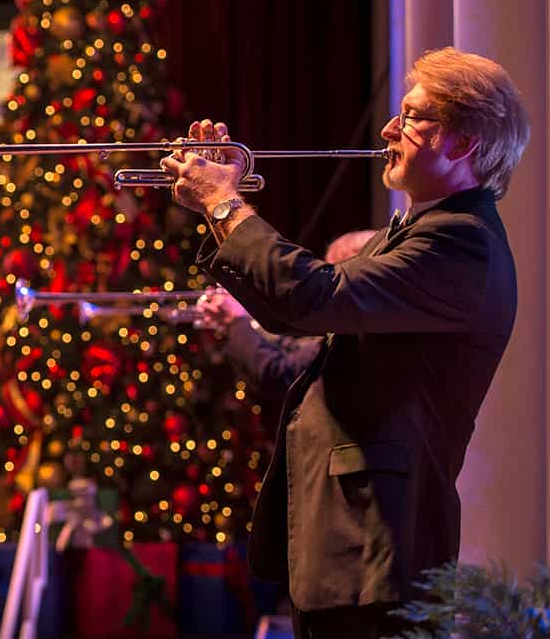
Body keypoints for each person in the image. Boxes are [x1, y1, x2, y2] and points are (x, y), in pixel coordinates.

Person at [159, 47, 529, 638]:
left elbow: (311, 298)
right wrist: (215, 209)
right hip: (346, 546)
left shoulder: (462, 243)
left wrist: (224, 202)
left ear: (462, 143)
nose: (389, 128)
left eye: (412, 116)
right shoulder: (413, 232)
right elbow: (290, 313)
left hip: (376, 546)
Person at [195, 229, 377, 430]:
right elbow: (294, 346)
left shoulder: (360, 333)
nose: (323, 291)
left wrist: (235, 322)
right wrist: (245, 319)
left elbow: (277, 374)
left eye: (331, 277)